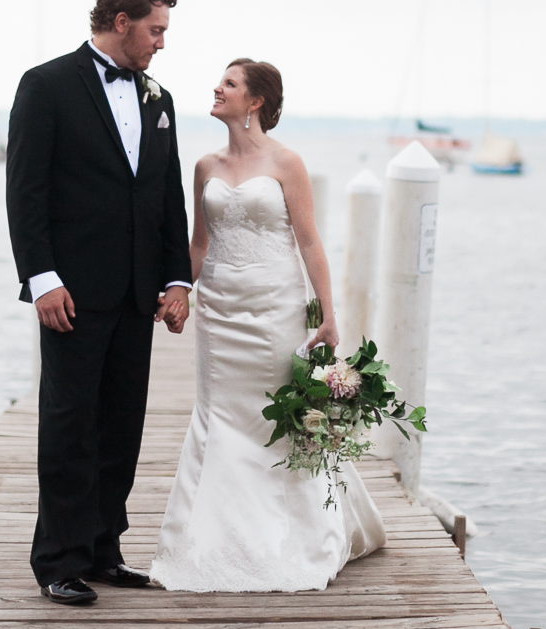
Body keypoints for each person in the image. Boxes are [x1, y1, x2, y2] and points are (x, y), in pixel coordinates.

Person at [149, 58, 385, 592]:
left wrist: (327, 314)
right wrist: (175, 292)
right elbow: (200, 244)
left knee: (272, 414)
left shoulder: (287, 163)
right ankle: (205, 539)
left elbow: (309, 242)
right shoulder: (205, 166)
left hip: (275, 303)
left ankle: (298, 537)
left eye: (229, 84)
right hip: (219, 310)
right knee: (218, 415)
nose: (217, 87)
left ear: (255, 101)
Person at [5, 0, 192, 606]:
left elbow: (167, 195)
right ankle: (57, 560)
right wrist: (41, 279)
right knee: (68, 425)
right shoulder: (46, 85)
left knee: (121, 426)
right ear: (120, 20)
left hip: (138, 292)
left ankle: (103, 549)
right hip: (72, 292)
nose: (162, 43)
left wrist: (175, 278)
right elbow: (25, 192)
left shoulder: (157, 97)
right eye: (155, 29)